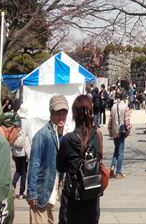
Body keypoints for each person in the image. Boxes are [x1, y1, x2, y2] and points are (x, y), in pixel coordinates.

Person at [57, 95, 103, 224]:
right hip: (92, 195)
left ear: (74, 114)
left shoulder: (68, 139)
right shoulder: (97, 136)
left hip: (72, 198)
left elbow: (60, 167)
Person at [27, 95, 68, 224]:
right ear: (51, 113)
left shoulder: (62, 135)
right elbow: (34, 165)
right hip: (41, 192)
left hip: (51, 193)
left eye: (64, 113)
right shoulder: (42, 135)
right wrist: (32, 192)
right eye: (58, 113)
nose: (61, 117)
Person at [108, 90, 132, 179]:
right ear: (125, 97)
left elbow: (110, 120)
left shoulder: (113, 106)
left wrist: (110, 131)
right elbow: (127, 121)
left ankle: (112, 166)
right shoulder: (125, 107)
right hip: (121, 131)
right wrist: (128, 129)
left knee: (116, 150)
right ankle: (118, 172)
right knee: (120, 152)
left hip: (114, 131)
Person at [11, 105, 32, 199]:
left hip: (15, 151)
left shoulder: (15, 122)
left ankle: (13, 186)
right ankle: (21, 193)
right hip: (23, 152)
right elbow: (30, 137)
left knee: (17, 170)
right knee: (24, 172)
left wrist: (11, 150)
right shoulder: (27, 123)